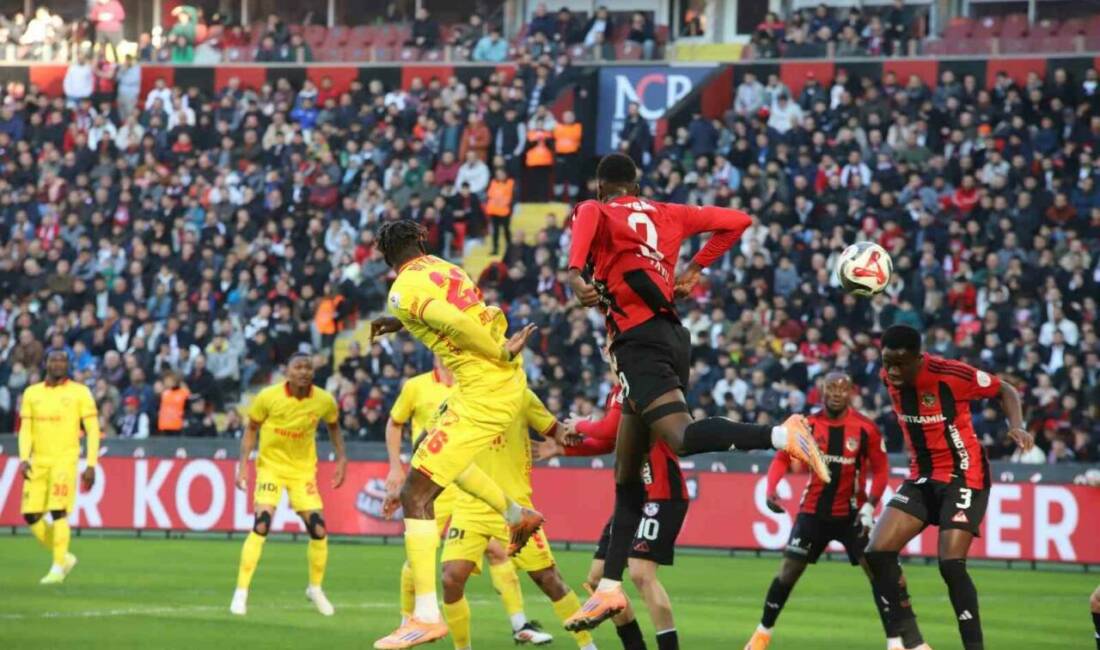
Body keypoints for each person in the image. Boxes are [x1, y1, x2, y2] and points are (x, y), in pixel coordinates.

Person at [564, 153, 830, 634]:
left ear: (603, 187)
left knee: (681, 438)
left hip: (641, 342)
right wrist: (693, 269)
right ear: (637, 183)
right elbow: (737, 221)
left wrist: (575, 274)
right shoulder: (668, 213)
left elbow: (584, 220)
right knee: (627, 478)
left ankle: (781, 434)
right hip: (664, 339)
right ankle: (608, 587)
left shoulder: (594, 209)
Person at [369, 220, 544, 649]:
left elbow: (452, 321)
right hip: (487, 386)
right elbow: (444, 310)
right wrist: (397, 324)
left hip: (484, 387)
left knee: (415, 495)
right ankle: (514, 513)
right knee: (436, 449)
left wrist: (499, 350)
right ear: (422, 241)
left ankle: (426, 617)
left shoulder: (401, 289)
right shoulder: (447, 268)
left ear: (384, 256)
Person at [865, 325, 1034, 650]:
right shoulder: (889, 377)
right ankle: (914, 644)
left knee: (950, 564)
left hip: (964, 474)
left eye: (901, 363)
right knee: (876, 552)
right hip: (922, 476)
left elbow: (1006, 390)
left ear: (919, 358)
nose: (893, 371)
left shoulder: (951, 374)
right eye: (887, 362)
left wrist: (1017, 426)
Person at [384, 358, 553, 645]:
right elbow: (395, 422)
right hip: (433, 479)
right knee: (419, 556)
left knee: (497, 551)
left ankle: (519, 624)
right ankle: (408, 619)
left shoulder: (472, 384)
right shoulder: (416, 386)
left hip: (465, 481)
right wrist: (396, 469)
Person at [536, 352, 685, 650]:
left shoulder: (641, 385)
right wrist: (563, 451)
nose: (612, 352)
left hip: (660, 491)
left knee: (641, 573)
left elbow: (607, 429)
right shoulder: (616, 393)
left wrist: (578, 425)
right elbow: (608, 441)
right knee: (597, 579)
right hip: (634, 499)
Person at [743, 372, 898, 650]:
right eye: (831, 388)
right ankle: (761, 635)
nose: (836, 393)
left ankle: (895, 642)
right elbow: (781, 459)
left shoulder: (865, 428)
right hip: (813, 512)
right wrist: (771, 488)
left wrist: (870, 505)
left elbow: (882, 470)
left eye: (842, 389)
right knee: (788, 571)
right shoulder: (808, 425)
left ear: (851, 392)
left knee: (878, 573)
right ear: (822, 392)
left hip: (853, 515)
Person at [440, 388, 594, 650]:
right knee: (451, 578)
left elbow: (557, 431)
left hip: (515, 509)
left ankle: (588, 647)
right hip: (471, 505)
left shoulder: (521, 396)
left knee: (548, 579)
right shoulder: (457, 398)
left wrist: (571, 436)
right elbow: (431, 439)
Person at [230, 353, 347, 617]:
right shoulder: (268, 397)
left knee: (318, 529)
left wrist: (341, 459)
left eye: (308, 367)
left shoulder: (324, 400)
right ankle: (241, 592)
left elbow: (334, 428)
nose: (304, 371)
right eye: (298, 367)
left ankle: (315, 588)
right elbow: (251, 429)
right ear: (288, 371)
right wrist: (243, 466)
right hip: (271, 468)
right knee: (262, 523)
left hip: (303, 471)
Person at [18, 350, 100, 584]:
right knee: (30, 515)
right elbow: (26, 430)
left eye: (63, 361)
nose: (58, 364)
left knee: (58, 511)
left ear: (68, 365)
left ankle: (56, 568)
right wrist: (24, 458)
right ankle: (64, 557)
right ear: (46, 363)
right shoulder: (32, 393)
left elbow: (92, 430)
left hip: (65, 460)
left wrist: (91, 464)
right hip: (38, 461)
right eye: (53, 360)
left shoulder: (79, 392)